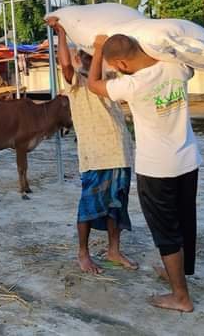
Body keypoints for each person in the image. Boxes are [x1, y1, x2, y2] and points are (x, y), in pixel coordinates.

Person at [87, 34, 200, 313]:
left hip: (156, 168)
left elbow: (92, 84)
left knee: (166, 231)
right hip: (187, 160)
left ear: (122, 62)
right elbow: (190, 66)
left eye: (116, 65)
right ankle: (178, 272)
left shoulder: (132, 84)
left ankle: (180, 297)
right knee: (185, 220)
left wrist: (99, 49)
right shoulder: (175, 67)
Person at [46, 17, 137, 274]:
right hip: (96, 157)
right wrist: (62, 34)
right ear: (81, 60)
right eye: (86, 57)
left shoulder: (110, 82)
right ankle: (83, 253)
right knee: (89, 205)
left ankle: (113, 250)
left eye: (94, 56)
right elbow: (64, 64)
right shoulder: (77, 84)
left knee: (117, 206)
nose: (91, 60)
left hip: (121, 154)